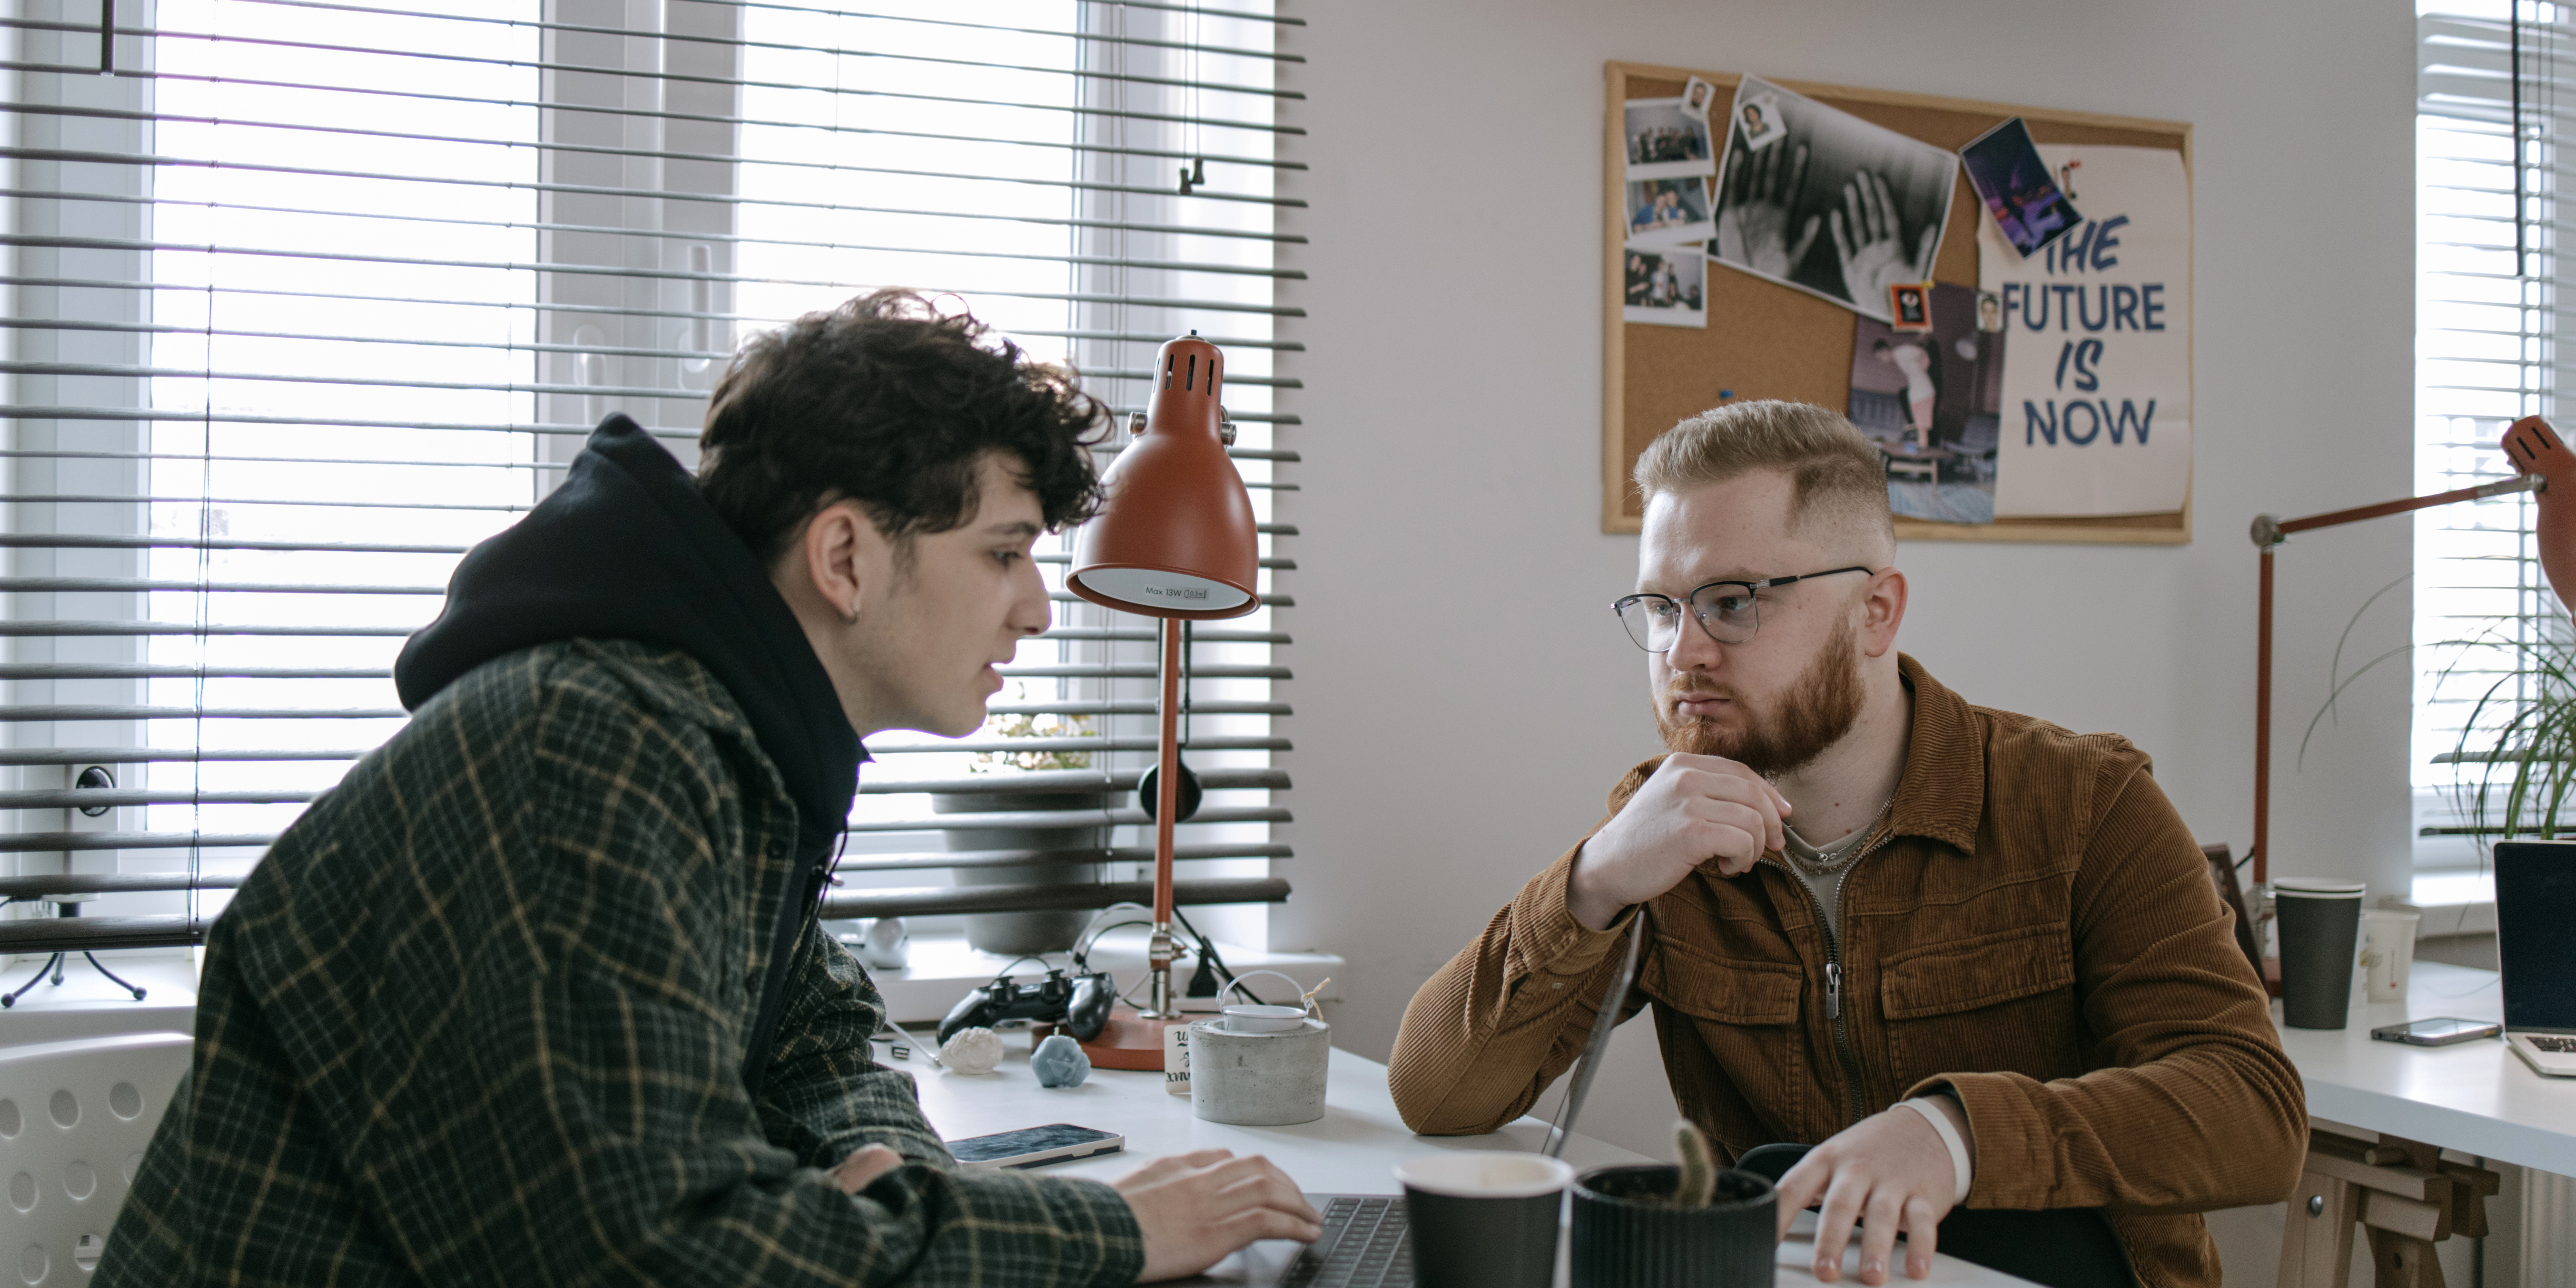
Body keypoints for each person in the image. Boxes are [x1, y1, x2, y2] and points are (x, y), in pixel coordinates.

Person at [100, 290, 1322, 1288]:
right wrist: (1112, 1233)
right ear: (845, 556)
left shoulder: (720, 741)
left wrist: (885, 1159)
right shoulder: (587, 751)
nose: (1036, 606)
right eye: (1002, 551)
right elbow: (663, 1253)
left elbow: (819, 1026)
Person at [1386, 401, 2301, 1288]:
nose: (1683, 652)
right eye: (1662, 608)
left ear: (1876, 612)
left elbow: (2255, 1113)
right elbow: (1435, 1095)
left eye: (1732, 602)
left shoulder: (2084, 805)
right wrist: (1591, 883)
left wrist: (1956, 1134)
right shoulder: (1661, 829)